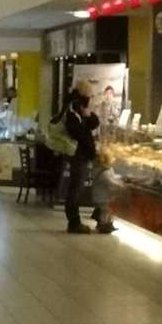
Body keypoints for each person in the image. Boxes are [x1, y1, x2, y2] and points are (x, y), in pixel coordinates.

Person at [62, 84, 113, 235]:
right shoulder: (73, 110)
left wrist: (88, 113)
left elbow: (94, 123)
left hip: (81, 154)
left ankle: (95, 218)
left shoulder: (79, 109)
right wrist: (90, 148)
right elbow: (78, 132)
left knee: (77, 187)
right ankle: (74, 222)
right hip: (78, 154)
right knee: (76, 188)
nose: (91, 99)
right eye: (90, 96)